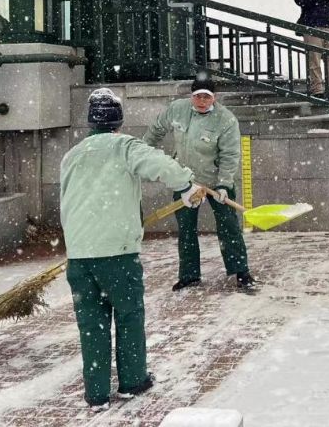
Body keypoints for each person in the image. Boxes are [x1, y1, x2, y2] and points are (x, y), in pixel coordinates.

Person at [60, 88, 205, 412]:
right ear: (118, 121)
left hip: (80, 256)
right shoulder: (125, 146)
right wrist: (186, 184)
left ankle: (96, 393)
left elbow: (66, 202)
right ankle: (132, 380)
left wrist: (79, 244)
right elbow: (162, 166)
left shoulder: (72, 155)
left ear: (90, 122)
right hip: (118, 253)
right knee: (128, 316)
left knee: (91, 325)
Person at [144, 74, 256, 291]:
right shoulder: (177, 109)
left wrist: (224, 184)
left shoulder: (226, 119)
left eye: (207, 97)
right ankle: (189, 275)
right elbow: (156, 128)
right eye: (198, 96)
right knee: (186, 229)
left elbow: (230, 155)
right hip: (185, 181)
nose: (202, 101)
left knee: (229, 226)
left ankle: (241, 271)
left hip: (216, 182)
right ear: (191, 96)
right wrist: (144, 152)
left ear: (214, 98)